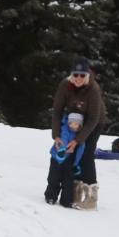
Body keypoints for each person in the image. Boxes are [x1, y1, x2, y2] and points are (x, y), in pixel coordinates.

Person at [50, 57, 106, 206]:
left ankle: (91, 196)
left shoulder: (93, 89)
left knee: (86, 153)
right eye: (76, 74)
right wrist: (56, 135)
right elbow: (57, 112)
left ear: (87, 75)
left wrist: (77, 140)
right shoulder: (65, 85)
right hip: (73, 120)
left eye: (82, 75)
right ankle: (74, 190)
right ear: (71, 75)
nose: (78, 78)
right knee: (71, 154)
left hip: (93, 122)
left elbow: (93, 119)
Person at [45, 111, 87, 207]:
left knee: (68, 180)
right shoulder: (64, 129)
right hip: (57, 157)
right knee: (53, 178)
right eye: (71, 123)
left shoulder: (80, 136)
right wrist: (61, 150)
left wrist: (76, 164)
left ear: (80, 125)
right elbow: (63, 138)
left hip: (69, 160)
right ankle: (51, 196)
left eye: (76, 124)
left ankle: (66, 201)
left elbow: (81, 150)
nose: (72, 126)